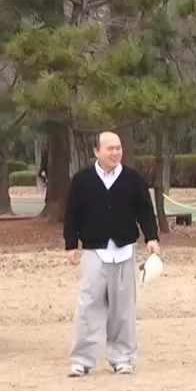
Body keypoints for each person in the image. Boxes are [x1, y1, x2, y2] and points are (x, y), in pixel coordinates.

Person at [64, 131, 161, 378]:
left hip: (124, 250)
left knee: (123, 309)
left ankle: (122, 357)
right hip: (94, 251)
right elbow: (72, 213)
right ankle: (81, 360)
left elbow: (145, 210)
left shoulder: (132, 179)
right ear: (97, 151)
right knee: (88, 305)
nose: (115, 152)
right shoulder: (82, 180)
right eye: (110, 148)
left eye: (118, 148)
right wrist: (71, 244)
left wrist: (151, 237)